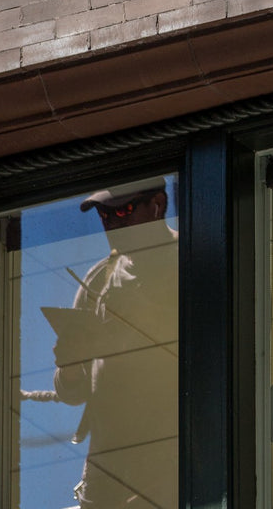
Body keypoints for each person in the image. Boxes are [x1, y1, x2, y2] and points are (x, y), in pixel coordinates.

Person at [51, 179, 179, 508]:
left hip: (171, 463)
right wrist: (69, 363)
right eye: (105, 216)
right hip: (106, 471)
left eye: (123, 211)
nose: (112, 224)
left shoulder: (186, 262)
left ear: (157, 205)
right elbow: (71, 392)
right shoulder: (99, 279)